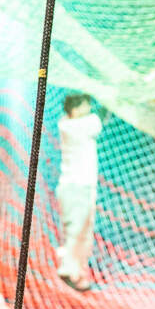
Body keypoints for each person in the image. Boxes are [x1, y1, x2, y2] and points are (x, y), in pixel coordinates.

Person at [54, 92, 104, 293]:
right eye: (85, 105)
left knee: (83, 233)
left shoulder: (69, 122)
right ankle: (67, 271)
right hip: (75, 187)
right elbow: (98, 120)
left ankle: (77, 274)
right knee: (76, 231)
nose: (89, 108)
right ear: (74, 110)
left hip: (81, 187)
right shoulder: (75, 125)